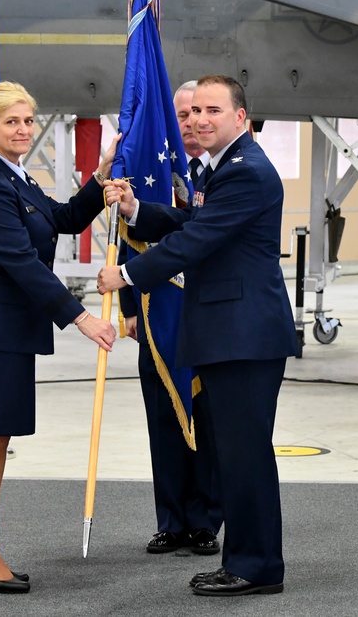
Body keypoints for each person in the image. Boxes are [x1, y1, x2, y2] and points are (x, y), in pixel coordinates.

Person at [98, 74, 299, 596]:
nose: (198, 120)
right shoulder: (225, 167)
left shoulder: (246, 171)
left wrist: (125, 275)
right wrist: (138, 211)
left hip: (244, 334)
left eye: (212, 111)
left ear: (241, 117)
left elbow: (198, 238)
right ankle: (248, 560)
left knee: (244, 453)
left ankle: (255, 567)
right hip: (231, 331)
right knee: (236, 453)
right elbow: (192, 217)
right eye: (192, 113)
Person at [0, 80, 118, 594]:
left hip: (3, 326)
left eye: (28, 121)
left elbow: (56, 220)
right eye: (11, 121)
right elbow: (19, 262)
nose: (22, 129)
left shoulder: (13, 176)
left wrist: (99, 181)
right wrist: (81, 318)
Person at [117, 79, 222, 557]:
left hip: (203, 317)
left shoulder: (216, 171)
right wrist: (128, 307)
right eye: (181, 115)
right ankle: (170, 520)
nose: (191, 123)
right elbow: (129, 236)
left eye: (199, 112)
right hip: (155, 312)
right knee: (162, 420)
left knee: (206, 420)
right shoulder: (152, 169)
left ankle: (204, 521)